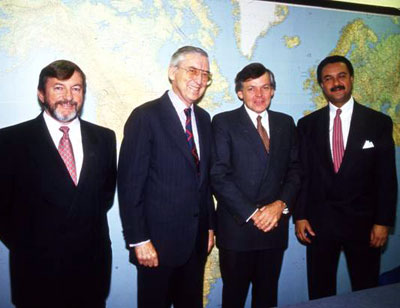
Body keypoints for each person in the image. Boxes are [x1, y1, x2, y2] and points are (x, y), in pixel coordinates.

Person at [0, 60, 117, 308]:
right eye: (58, 88)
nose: (68, 97)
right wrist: (31, 244)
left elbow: (104, 197)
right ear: (41, 94)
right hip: (36, 273)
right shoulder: (10, 141)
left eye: (76, 88)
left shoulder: (105, 138)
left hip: (91, 270)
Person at [118, 46, 216, 308]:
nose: (199, 79)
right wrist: (139, 240)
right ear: (172, 72)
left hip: (195, 243)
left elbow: (203, 181)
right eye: (192, 70)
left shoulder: (205, 120)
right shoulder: (146, 116)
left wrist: (209, 226)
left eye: (205, 74)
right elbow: (130, 186)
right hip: (156, 246)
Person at [295, 55, 397, 299]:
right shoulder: (307, 125)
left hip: (364, 225)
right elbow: (303, 174)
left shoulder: (378, 122)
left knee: (367, 291)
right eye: (328, 79)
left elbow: (386, 177)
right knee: (320, 293)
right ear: (322, 85)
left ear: (351, 79)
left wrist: (383, 222)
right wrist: (300, 216)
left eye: (341, 76)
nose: (336, 83)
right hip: (320, 225)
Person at [211, 63, 301, 308]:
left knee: (267, 296)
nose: (259, 95)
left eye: (265, 87)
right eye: (251, 89)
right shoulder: (223, 122)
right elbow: (219, 175)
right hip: (237, 229)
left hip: (274, 228)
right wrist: (252, 213)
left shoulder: (286, 122)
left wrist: (280, 205)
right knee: (234, 298)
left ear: (273, 91)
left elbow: (295, 169)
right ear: (240, 92)